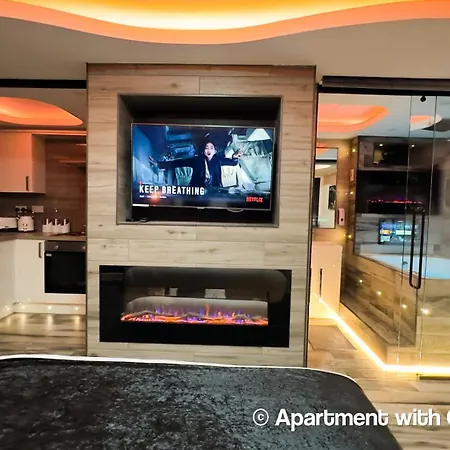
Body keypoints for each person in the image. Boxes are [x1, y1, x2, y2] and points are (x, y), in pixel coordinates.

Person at [148, 140, 242, 188]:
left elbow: (232, 163)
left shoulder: (218, 160)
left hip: (214, 190)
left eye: (211, 148)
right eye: (206, 148)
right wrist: (159, 164)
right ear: (203, 151)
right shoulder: (196, 160)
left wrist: (234, 157)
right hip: (197, 190)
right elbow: (178, 163)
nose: (209, 150)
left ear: (214, 151)